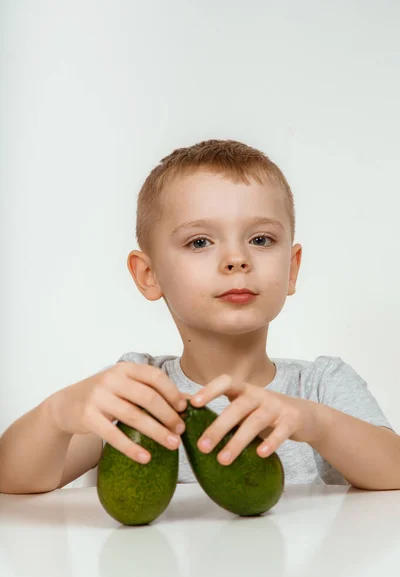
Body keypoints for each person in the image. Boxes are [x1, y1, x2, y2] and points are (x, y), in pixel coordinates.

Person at [1, 139, 399, 495]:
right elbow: (12, 480)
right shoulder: (137, 393)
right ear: (149, 274)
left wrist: (317, 424)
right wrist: (57, 415)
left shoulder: (320, 386)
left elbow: (393, 472)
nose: (236, 259)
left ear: (291, 269)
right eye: (200, 241)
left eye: (261, 239)